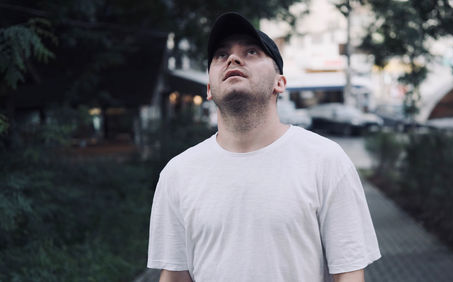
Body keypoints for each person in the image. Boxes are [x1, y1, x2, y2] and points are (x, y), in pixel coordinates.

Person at [148, 12, 381, 282]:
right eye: (221, 55)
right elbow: (175, 276)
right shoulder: (177, 173)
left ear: (279, 83)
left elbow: (349, 273)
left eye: (251, 52)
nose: (233, 59)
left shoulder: (326, 160)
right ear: (209, 89)